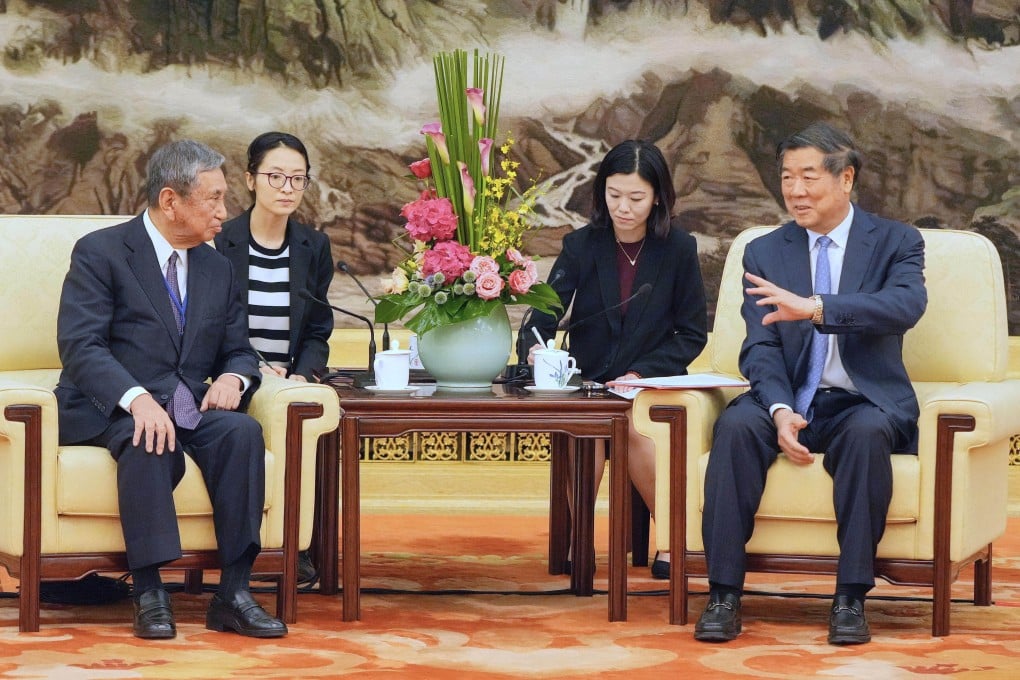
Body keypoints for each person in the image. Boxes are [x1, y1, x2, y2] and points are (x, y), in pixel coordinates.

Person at [694, 122, 927, 645]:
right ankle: (723, 594)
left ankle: (850, 598)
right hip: (786, 393)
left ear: (846, 178)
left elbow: (905, 307)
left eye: (809, 177)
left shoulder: (895, 241)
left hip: (860, 399)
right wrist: (778, 408)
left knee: (867, 437)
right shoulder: (766, 251)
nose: (795, 191)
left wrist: (818, 308)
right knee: (734, 428)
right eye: (786, 178)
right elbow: (760, 345)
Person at [55, 139, 287, 640]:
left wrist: (233, 377)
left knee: (241, 433)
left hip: (186, 402)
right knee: (148, 438)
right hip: (112, 406)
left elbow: (239, 350)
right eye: (215, 199)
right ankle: (150, 590)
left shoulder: (217, 267)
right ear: (170, 201)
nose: (226, 212)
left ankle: (234, 592)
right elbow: (81, 345)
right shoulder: (102, 252)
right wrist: (136, 399)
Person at [525, 139, 708, 578]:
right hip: (588, 382)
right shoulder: (581, 246)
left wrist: (642, 373)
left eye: (636, 198)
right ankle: (580, 539)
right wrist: (535, 347)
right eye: (614, 195)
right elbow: (545, 311)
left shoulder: (678, 250)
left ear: (658, 196)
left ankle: (670, 539)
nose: (623, 207)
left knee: (630, 421)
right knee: (585, 424)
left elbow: (691, 334)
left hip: (648, 383)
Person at [215, 131, 333, 586]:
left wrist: (301, 373)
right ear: (250, 179)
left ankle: (296, 546)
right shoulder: (220, 242)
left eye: (298, 179)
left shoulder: (313, 247)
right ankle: (245, 548)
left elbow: (319, 328)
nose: (287, 188)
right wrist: (247, 367)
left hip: (289, 378)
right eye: (276, 177)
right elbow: (210, 323)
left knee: (304, 411)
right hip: (230, 373)